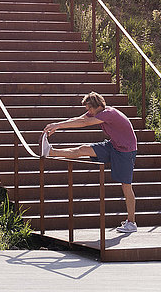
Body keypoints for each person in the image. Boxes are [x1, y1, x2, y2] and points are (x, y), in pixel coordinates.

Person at [40, 91, 138, 233]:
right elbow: (78, 119)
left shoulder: (108, 113)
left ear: (98, 106)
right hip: (114, 145)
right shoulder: (97, 113)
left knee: (126, 186)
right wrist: (57, 124)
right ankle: (50, 152)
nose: (88, 111)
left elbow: (84, 123)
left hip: (126, 151)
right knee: (83, 149)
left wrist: (58, 126)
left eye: (89, 108)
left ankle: (131, 223)